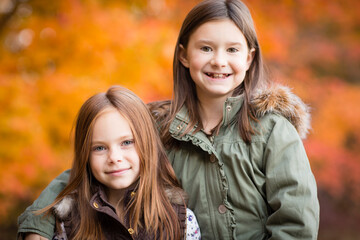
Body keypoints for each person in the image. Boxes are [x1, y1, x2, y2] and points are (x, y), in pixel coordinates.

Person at [18, 0, 319, 239]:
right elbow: (88, 170)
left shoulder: (272, 131)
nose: (218, 60)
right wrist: (38, 226)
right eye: (205, 48)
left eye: (232, 49)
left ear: (249, 58)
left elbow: (295, 223)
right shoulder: (158, 127)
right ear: (184, 55)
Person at [20, 86, 201, 240]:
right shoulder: (66, 223)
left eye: (127, 143)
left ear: (148, 145)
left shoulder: (181, 221)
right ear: (85, 155)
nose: (114, 157)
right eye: (99, 148)